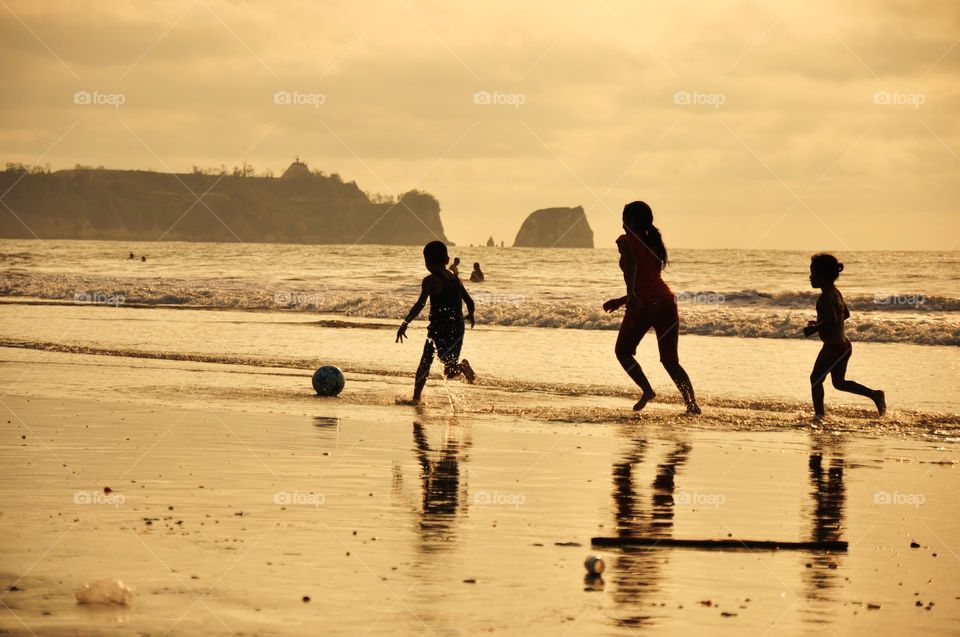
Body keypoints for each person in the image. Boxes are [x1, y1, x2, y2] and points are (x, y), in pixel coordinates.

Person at [603, 201, 700, 414]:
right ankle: (692, 404)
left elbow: (632, 265)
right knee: (670, 361)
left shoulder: (625, 241)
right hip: (666, 302)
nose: (622, 226)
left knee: (622, 352)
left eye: (624, 220)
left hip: (644, 305)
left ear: (633, 221)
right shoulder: (654, 243)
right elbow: (649, 281)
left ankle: (647, 391)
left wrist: (629, 295)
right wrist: (621, 300)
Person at [803, 253, 885, 418]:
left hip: (833, 347)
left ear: (824, 276)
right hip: (844, 345)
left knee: (815, 380)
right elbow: (845, 314)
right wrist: (820, 321)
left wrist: (815, 328)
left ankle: (819, 416)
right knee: (839, 383)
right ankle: (874, 394)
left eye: (813, 273)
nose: (810, 277)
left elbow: (833, 321)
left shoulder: (824, 297)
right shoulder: (835, 292)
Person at [397, 241, 476, 403]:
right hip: (458, 326)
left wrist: (405, 323)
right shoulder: (456, 279)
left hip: (439, 328)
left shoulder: (430, 280)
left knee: (425, 363)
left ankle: (416, 398)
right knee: (449, 368)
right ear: (447, 260)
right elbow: (470, 302)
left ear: (427, 262)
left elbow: (420, 304)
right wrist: (471, 316)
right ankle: (461, 367)